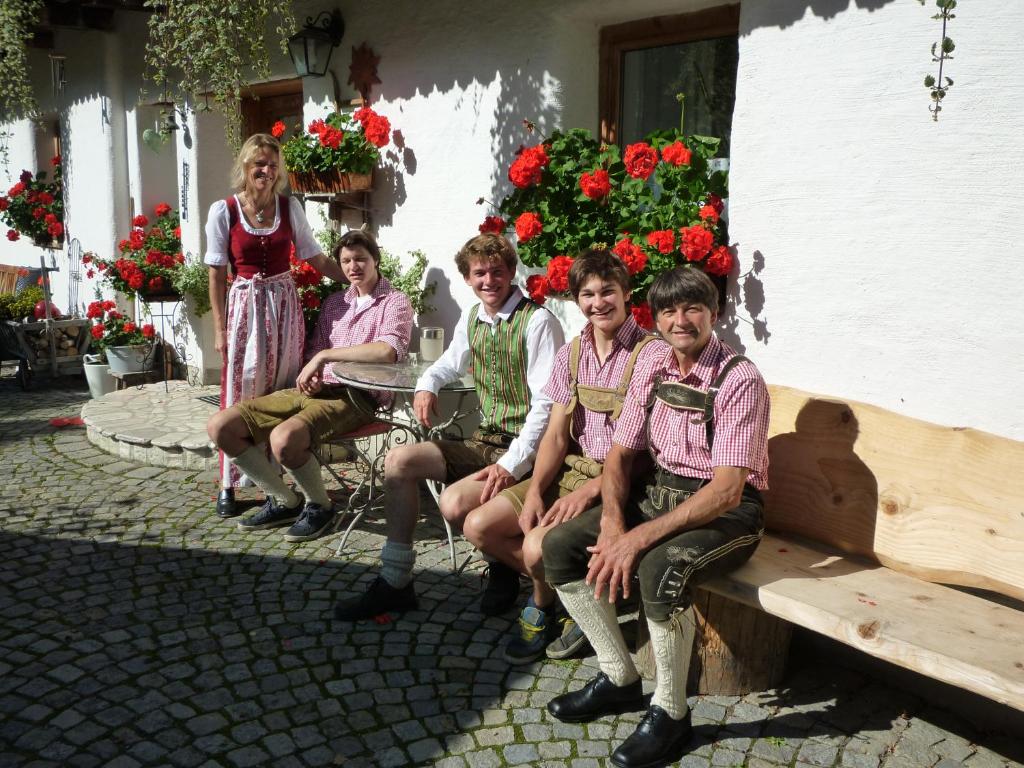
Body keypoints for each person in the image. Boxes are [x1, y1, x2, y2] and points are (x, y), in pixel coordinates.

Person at [542, 267, 770, 768]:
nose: (680, 320)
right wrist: (611, 523)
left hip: (729, 512)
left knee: (656, 569)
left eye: (693, 308)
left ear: (715, 313)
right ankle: (619, 677)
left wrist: (638, 537)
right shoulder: (652, 364)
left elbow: (729, 490)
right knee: (558, 547)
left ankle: (671, 714)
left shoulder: (739, 377)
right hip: (661, 488)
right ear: (657, 317)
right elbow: (621, 454)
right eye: (668, 310)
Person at [333, 232, 565, 621]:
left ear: (511, 272)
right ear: (468, 278)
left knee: (454, 503)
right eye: (479, 273)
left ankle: (541, 581)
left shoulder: (538, 322)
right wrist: (427, 385)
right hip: (484, 439)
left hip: (530, 451)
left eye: (496, 271)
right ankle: (396, 581)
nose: (488, 280)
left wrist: (512, 464)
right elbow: (449, 362)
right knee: (399, 461)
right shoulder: (474, 316)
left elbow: (547, 407)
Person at [459, 249, 656, 664]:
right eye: (587, 294)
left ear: (627, 293)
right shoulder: (573, 352)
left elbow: (644, 453)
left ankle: (545, 604)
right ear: (576, 300)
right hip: (575, 467)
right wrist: (536, 492)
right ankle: (575, 600)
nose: (598, 303)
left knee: (534, 547)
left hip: (623, 479)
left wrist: (587, 493)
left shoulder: (649, 354)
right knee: (479, 526)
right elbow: (555, 434)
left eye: (608, 292)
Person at [206, 230, 413, 542]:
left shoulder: (394, 301)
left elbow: (386, 351)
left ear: (376, 260)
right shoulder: (335, 303)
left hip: (357, 397)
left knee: (284, 439)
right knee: (222, 426)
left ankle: (320, 506)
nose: (353, 266)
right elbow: (315, 350)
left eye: (360, 259)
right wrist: (313, 370)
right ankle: (285, 500)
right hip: (316, 391)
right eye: (345, 261)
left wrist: (326, 357)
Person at [204, 132, 349, 519]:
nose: (266, 171)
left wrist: (355, 279)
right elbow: (216, 274)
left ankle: (280, 484)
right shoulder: (225, 210)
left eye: (272, 164)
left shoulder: (290, 207)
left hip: (284, 307)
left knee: (281, 390)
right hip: (245, 310)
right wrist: (219, 329)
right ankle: (229, 483)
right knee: (241, 392)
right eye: (258, 165)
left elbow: (314, 258)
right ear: (246, 168)